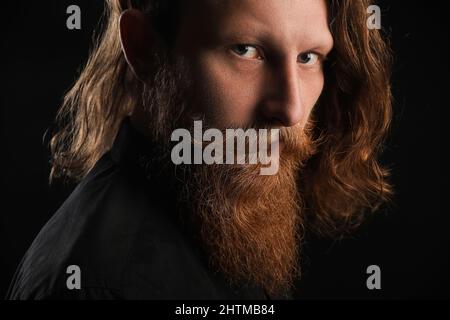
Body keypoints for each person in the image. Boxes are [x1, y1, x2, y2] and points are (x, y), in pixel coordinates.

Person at [7, 0, 392, 300]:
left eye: (308, 57)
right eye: (245, 49)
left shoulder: (229, 217)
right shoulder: (94, 287)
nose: (291, 109)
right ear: (144, 49)